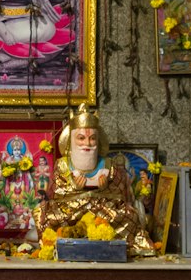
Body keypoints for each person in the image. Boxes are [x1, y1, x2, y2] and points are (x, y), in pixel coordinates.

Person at [33, 104, 154, 257]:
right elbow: (55, 191)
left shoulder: (109, 165)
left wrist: (105, 189)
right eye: (81, 138)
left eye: (92, 139)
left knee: (129, 215)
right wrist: (74, 187)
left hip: (103, 209)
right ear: (71, 140)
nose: (87, 144)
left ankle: (118, 246)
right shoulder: (63, 164)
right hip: (70, 210)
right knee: (46, 215)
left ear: (99, 140)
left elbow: (121, 192)